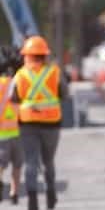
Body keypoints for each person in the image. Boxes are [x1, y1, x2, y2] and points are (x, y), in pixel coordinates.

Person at [11, 36, 63, 210]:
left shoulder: (20, 75)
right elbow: (65, 93)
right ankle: (51, 195)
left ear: (27, 55)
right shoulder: (55, 72)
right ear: (44, 55)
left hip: (28, 124)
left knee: (31, 162)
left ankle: (32, 202)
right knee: (48, 161)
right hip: (51, 124)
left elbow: (14, 98)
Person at [0, 46, 23, 205]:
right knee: (17, 164)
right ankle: (14, 191)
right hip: (17, 131)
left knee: (1, 164)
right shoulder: (18, 83)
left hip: (1, 133)